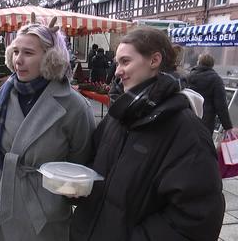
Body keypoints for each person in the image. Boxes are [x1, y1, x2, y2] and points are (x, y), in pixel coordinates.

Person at [70, 27, 225, 241]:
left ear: (154, 61)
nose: (117, 71)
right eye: (117, 63)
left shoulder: (187, 131)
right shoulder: (118, 116)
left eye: (125, 62)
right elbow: (94, 164)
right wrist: (78, 185)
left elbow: (197, 219)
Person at [0, 14, 96, 241]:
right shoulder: (5, 93)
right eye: (16, 51)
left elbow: (82, 162)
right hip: (1, 195)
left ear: (51, 58)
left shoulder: (74, 105)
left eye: (28, 53)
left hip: (43, 210)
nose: (19, 60)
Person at [186, 53, 233, 134]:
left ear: (198, 62)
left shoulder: (188, 76)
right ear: (212, 64)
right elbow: (221, 106)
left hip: (188, 118)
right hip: (206, 121)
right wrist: (228, 127)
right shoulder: (216, 79)